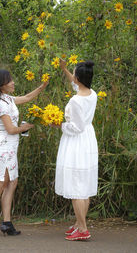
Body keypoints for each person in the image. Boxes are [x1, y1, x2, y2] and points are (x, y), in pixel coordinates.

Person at [0, 69, 48, 236]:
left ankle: (7, 223)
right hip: (4, 147)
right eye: (10, 80)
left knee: (11, 182)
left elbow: (27, 98)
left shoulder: (7, 98)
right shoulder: (1, 104)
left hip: (10, 147)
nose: (13, 82)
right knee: (1, 183)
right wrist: (24, 127)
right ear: (1, 84)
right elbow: (10, 129)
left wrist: (42, 86)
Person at [52, 59, 98, 241]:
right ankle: (80, 224)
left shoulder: (75, 100)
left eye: (73, 74)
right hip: (87, 139)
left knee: (76, 185)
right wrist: (64, 69)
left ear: (79, 78)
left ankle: (83, 229)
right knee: (83, 184)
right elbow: (76, 84)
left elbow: (76, 127)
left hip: (76, 142)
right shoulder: (91, 93)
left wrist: (58, 124)